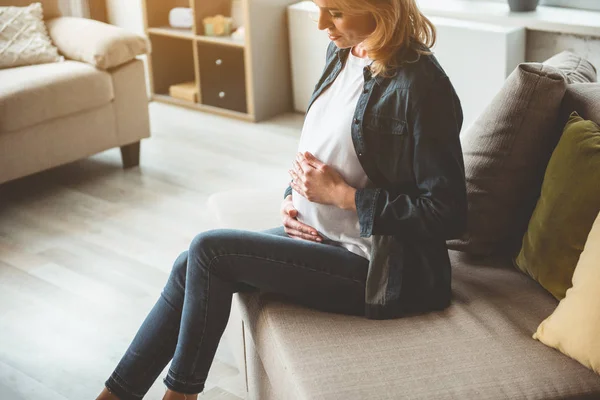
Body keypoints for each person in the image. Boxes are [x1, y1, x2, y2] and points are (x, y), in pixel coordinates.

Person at [97, 0, 466, 398]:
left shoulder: (422, 85)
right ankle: (116, 395)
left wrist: (345, 197)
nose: (321, 22)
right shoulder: (342, 51)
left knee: (210, 250)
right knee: (190, 263)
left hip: (381, 268)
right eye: (319, 7)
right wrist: (293, 197)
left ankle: (180, 394)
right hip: (319, 237)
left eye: (336, 11)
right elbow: (323, 149)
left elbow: (447, 213)